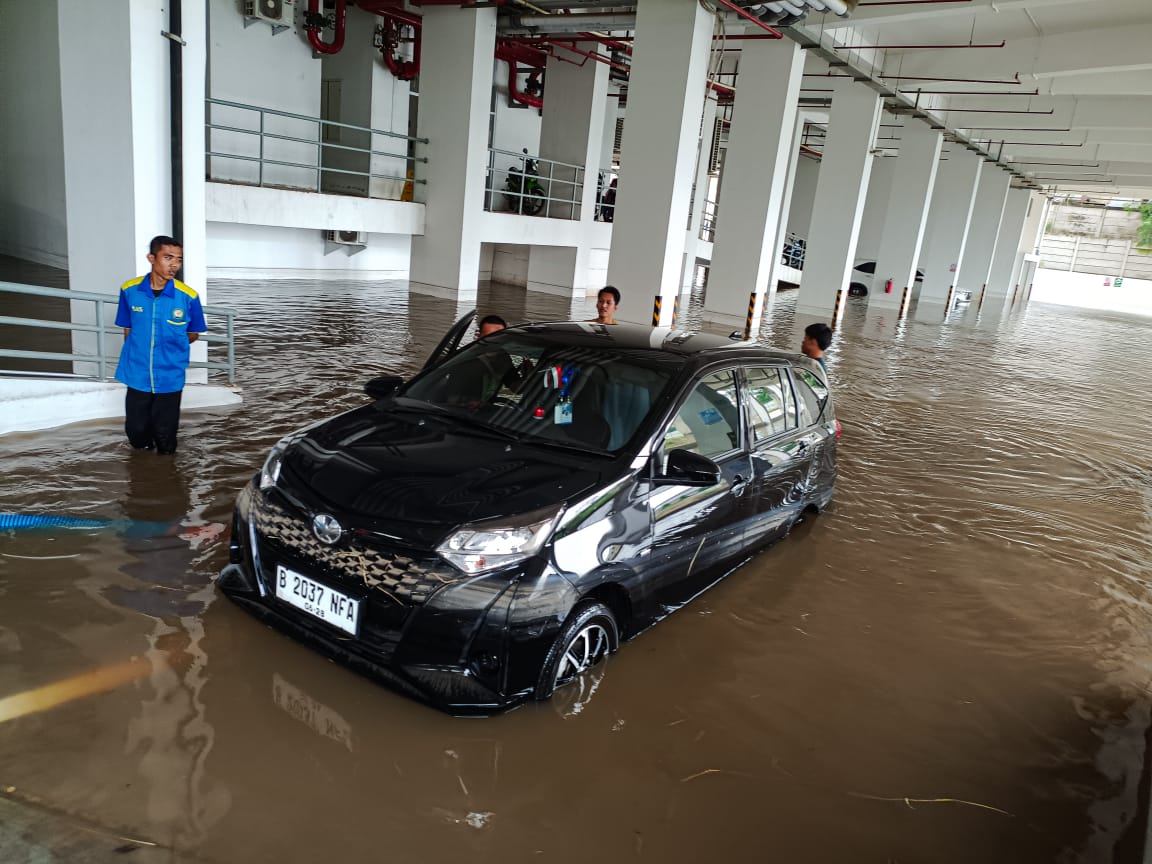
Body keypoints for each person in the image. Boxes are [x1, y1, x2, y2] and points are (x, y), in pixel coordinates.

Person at [114, 236, 207, 454]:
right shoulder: (129, 290)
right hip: (137, 372)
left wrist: (174, 344)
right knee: (135, 431)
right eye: (167, 258)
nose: (174, 264)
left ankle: (166, 474)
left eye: (178, 259)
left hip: (169, 374)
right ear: (151, 258)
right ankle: (144, 469)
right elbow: (127, 329)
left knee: (165, 435)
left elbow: (194, 333)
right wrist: (138, 353)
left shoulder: (189, 296)